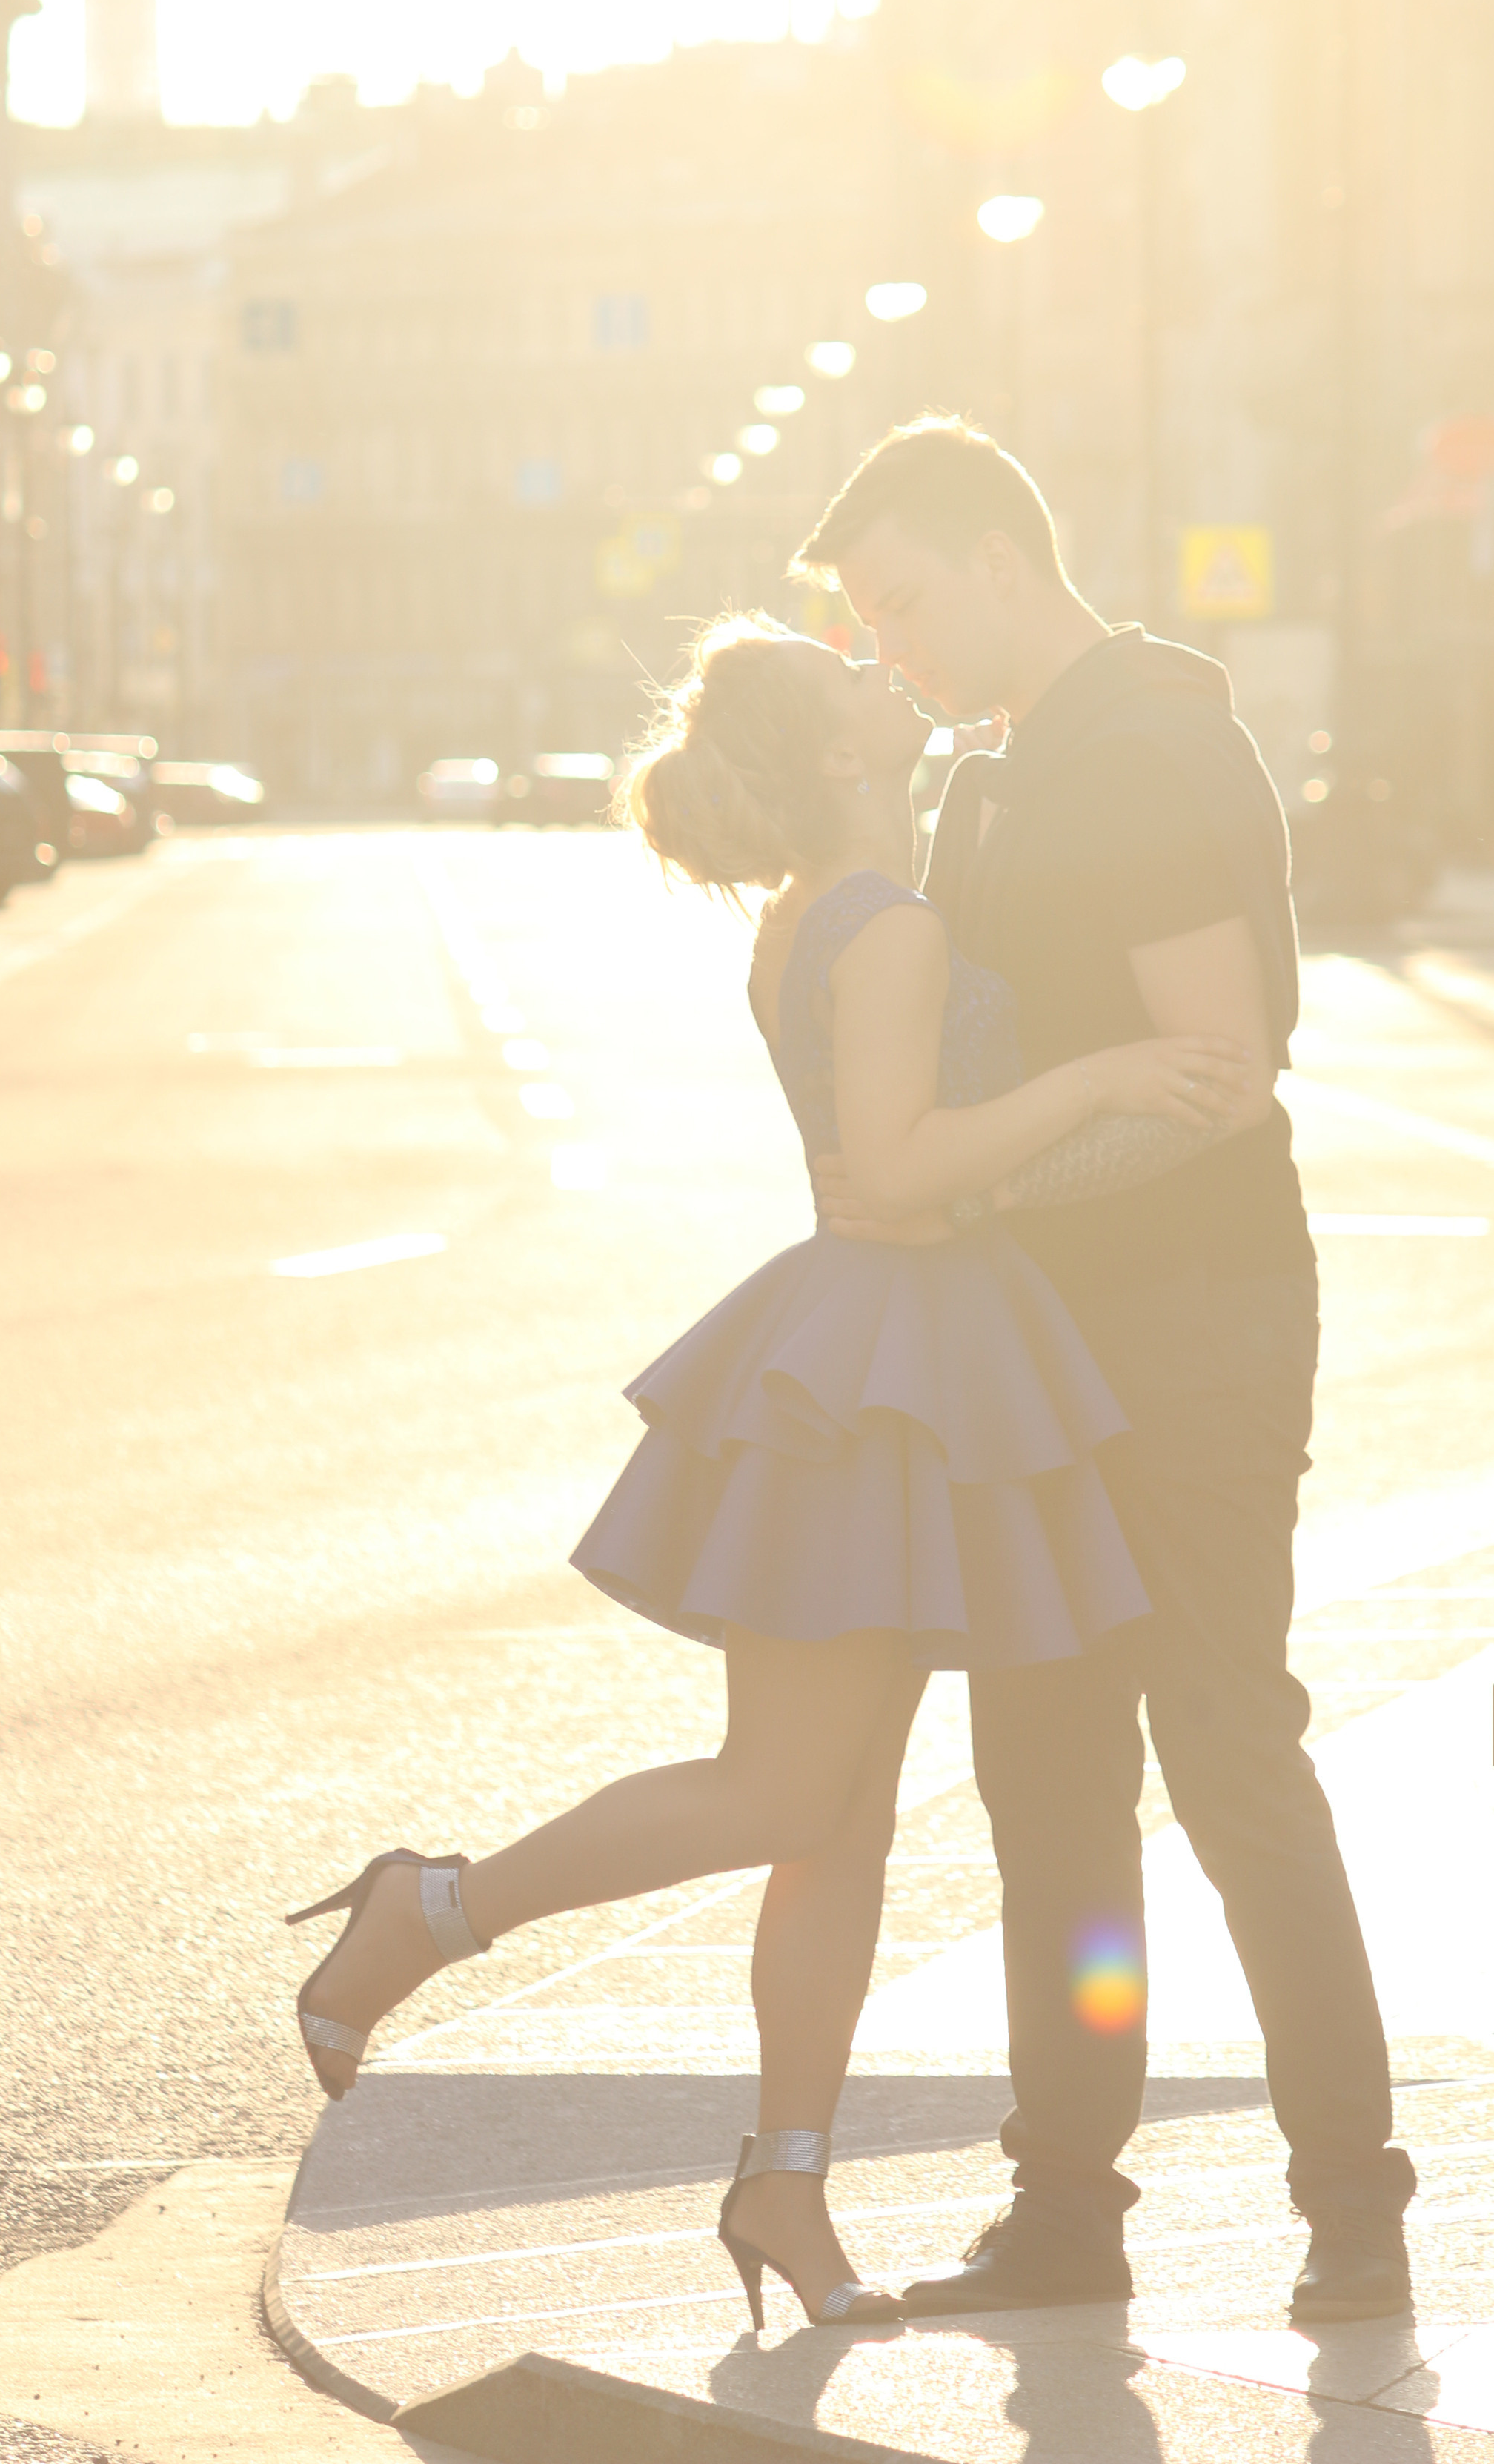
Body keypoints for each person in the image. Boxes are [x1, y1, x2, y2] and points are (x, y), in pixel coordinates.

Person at [285, 613, 1246, 2331]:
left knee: (843, 1825)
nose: (894, 672)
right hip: (882, 1356)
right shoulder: (883, 919)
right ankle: (428, 1909)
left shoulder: (828, 910)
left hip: (888, 1350)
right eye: (855, 675)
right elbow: (889, 1175)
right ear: (835, 753)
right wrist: (1100, 1070)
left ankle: (786, 2186)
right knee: (788, 1793)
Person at [795, 416, 1416, 2326]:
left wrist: (976, 1191)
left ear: (1001, 555)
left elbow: (1214, 1075)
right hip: (1040, 1343)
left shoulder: (1141, 747)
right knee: (1046, 1771)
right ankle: (1065, 2206)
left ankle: (1353, 2209)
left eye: (901, 602)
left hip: (1194, 1319)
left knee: (1226, 1740)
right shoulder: (998, 772)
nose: (885, 644)